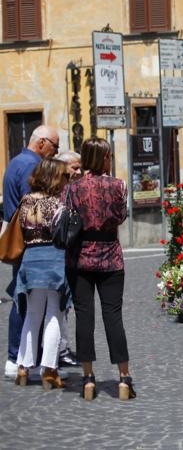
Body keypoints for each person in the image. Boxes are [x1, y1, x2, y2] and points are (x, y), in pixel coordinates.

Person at [66, 137, 133, 401]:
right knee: (113, 316)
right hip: (110, 257)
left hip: (79, 258)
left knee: (84, 317)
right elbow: (121, 216)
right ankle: (124, 378)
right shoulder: (118, 185)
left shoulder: (72, 189)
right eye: (108, 156)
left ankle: (88, 378)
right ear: (103, 158)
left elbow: (65, 218)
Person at [2, 124, 59, 379]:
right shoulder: (31, 167)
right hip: (33, 245)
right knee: (26, 303)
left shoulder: (16, 161)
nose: (55, 153)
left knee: (23, 299)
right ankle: (21, 358)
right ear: (42, 142)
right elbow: (34, 211)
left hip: (21, 242)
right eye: (54, 147)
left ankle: (21, 359)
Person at [12, 158, 72, 389]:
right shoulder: (57, 202)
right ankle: (49, 368)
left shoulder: (26, 200)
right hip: (54, 258)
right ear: (55, 177)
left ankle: (23, 367)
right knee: (55, 314)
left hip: (30, 258)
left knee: (32, 313)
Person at [53, 150, 82, 368]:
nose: (79, 171)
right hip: (58, 256)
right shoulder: (57, 192)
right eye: (75, 167)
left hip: (69, 255)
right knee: (60, 304)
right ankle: (60, 350)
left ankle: (62, 348)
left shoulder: (73, 189)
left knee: (65, 304)